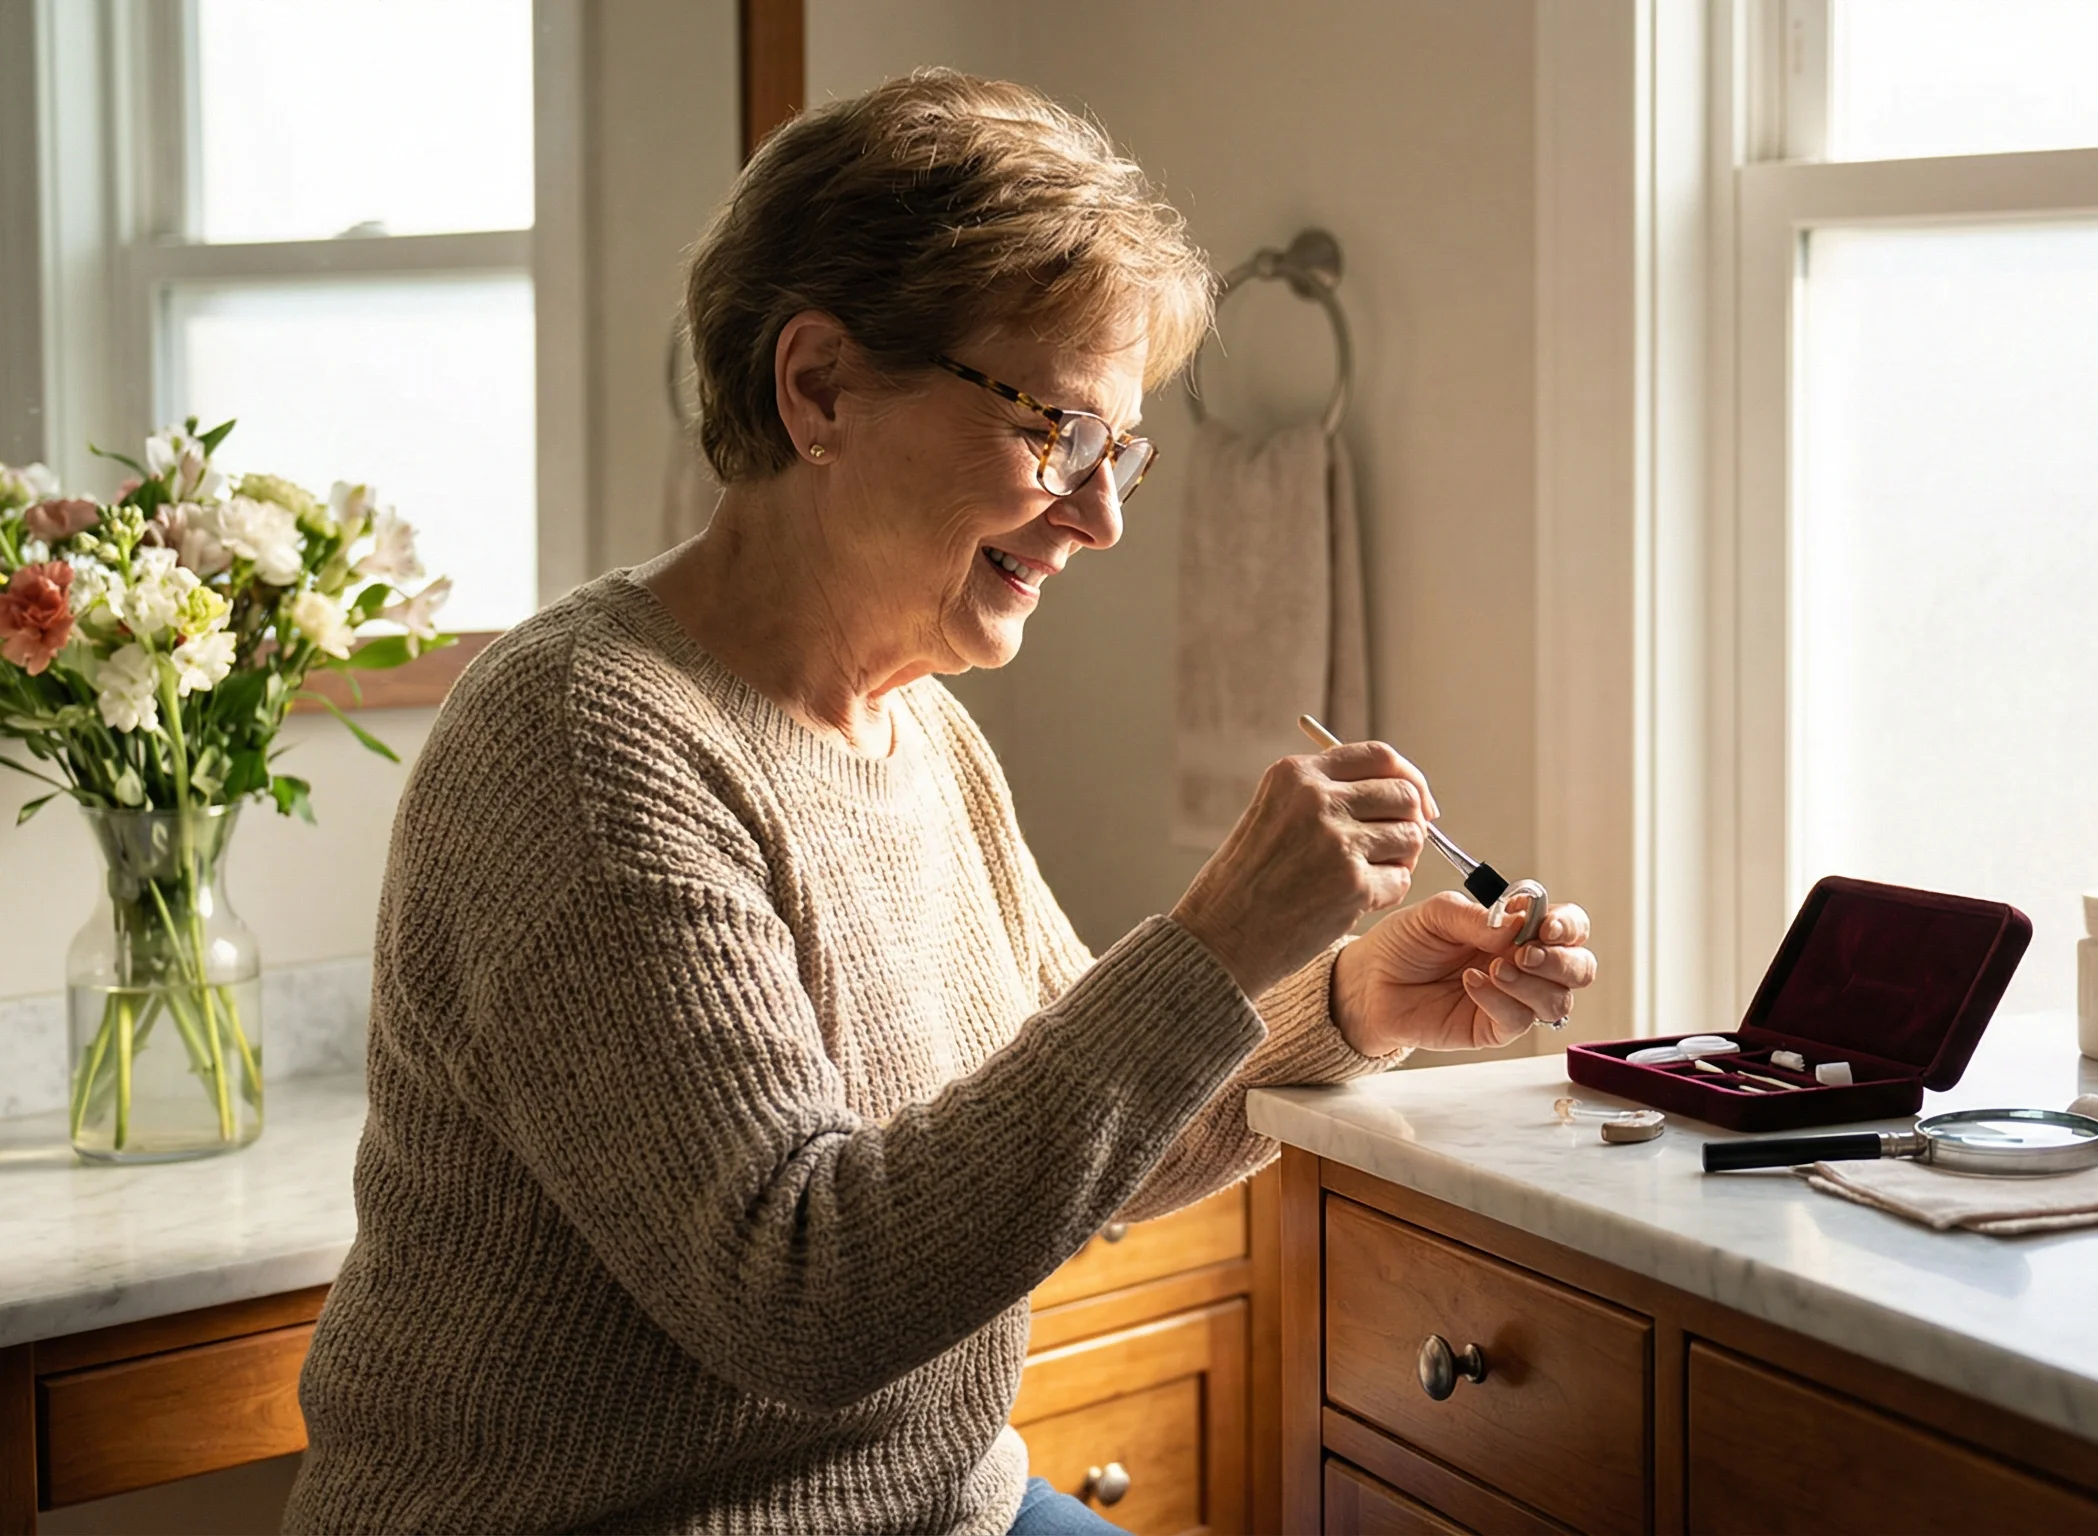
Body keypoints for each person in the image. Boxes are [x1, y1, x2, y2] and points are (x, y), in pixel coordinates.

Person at [283, 69, 1596, 1535]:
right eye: (1059, 434)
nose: (1099, 517)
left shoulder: (925, 738)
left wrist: (1351, 1002)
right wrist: (1216, 943)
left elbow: (1075, 1143)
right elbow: (801, 1300)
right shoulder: (584, 747)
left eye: (1122, 454)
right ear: (821, 387)